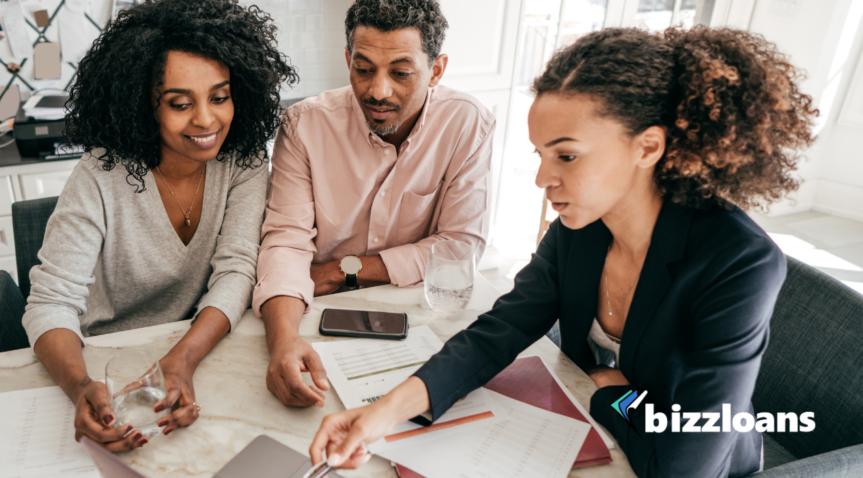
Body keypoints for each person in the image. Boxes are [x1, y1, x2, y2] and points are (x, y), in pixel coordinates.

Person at [309, 26, 817, 477]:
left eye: (567, 156)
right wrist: (382, 412)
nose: (542, 179)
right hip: (588, 434)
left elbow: (684, 466)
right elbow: (500, 330)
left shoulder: (737, 262)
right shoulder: (582, 225)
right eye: (541, 154)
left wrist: (613, 395)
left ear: (647, 147)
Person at [21, 0, 295, 452]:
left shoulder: (242, 158)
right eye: (179, 103)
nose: (206, 120)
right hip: (104, 359)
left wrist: (182, 360)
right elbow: (50, 302)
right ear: (142, 105)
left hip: (199, 346)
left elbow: (237, 270)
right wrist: (79, 386)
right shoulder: (100, 174)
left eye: (220, 96)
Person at [254, 0, 495, 409]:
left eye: (401, 73)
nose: (378, 91)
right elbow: (285, 243)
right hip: (313, 312)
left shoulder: (467, 123)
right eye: (363, 69)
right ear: (348, 58)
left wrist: (337, 271)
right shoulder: (303, 126)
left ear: (436, 70)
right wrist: (282, 343)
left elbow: (459, 248)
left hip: (420, 321)